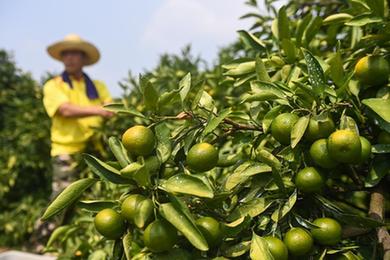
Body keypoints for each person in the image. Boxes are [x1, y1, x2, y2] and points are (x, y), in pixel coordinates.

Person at [33, 34, 113, 250]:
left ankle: (76, 246)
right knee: (62, 198)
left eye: (74, 53)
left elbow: (112, 108)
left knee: (91, 199)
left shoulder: (97, 86)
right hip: (66, 151)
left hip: (94, 151)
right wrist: (98, 110)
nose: (69, 58)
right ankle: (41, 244)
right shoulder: (54, 85)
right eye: (65, 54)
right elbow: (65, 110)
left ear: (83, 58)